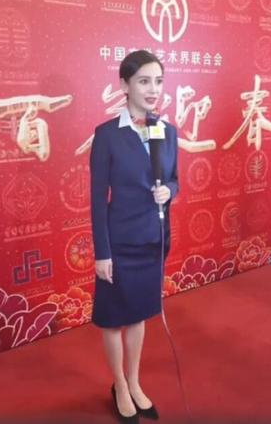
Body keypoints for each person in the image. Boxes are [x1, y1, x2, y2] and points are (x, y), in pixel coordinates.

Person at [89, 50, 179, 423]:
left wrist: (169, 191)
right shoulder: (107, 135)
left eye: (158, 81)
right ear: (125, 85)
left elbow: (174, 180)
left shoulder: (167, 131)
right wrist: (102, 253)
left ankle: (135, 381)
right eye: (144, 81)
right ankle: (119, 385)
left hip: (151, 241)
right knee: (113, 318)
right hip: (119, 243)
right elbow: (97, 199)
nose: (153, 89)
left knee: (140, 315)